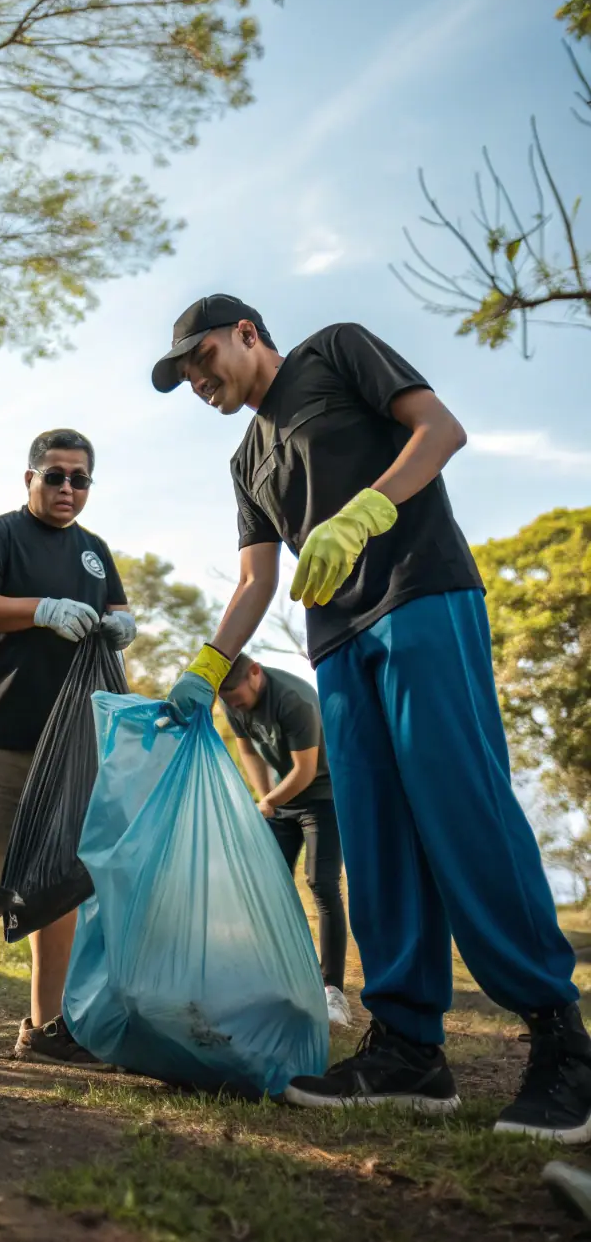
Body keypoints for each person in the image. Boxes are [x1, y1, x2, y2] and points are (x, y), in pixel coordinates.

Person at [152, 293, 591, 1140]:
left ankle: (561, 1038)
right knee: (378, 836)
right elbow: (255, 580)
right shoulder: (246, 461)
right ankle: (409, 1050)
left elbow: (440, 430)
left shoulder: (336, 352)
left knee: (460, 804)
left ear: (247, 332)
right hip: (336, 641)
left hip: (420, 594)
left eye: (203, 358)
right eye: (185, 376)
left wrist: (367, 508)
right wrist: (206, 668)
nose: (198, 380)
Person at [0, 428, 135, 1073]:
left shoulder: (94, 550)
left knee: (58, 883)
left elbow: (116, 608)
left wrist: (122, 623)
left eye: (81, 479)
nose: (68, 488)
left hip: (69, 744)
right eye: (56, 476)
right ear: (30, 478)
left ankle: (43, 1026)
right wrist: (39, 610)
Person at [219, 653, 350, 1028]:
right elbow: (247, 749)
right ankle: (275, 978)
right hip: (283, 800)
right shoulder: (232, 699)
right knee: (268, 884)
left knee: (321, 885)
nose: (231, 704)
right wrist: (266, 799)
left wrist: (268, 801)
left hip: (324, 797)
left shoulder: (294, 699)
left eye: (235, 696)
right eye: (225, 699)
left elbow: (306, 770)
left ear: (255, 673)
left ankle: (332, 992)